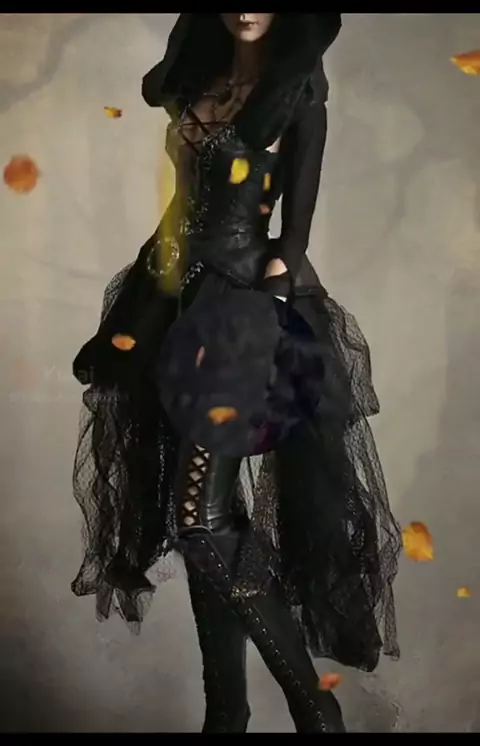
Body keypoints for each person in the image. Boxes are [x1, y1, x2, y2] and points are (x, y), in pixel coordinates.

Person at [71, 13, 402, 734]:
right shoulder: (199, 80)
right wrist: (132, 315)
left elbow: (292, 235)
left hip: (244, 310)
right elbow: (181, 212)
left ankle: (316, 708)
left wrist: (263, 320)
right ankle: (226, 715)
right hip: (179, 306)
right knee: (205, 524)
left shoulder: (297, 89)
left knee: (201, 518)